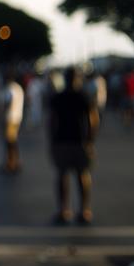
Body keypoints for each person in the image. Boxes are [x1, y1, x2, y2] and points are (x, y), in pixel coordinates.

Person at [48, 67, 99, 225]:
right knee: (82, 175)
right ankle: (84, 210)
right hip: (80, 141)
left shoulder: (58, 97)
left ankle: (64, 210)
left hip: (62, 141)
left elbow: (51, 121)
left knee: (62, 175)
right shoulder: (84, 96)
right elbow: (93, 120)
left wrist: (52, 141)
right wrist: (90, 141)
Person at [0, 70, 25, 174]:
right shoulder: (18, 88)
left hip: (10, 118)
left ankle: (11, 164)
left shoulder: (10, 88)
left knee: (10, 142)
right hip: (17, 118)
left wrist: (1, 113)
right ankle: (15, 162)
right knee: (13, 141)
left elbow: (8, 103)